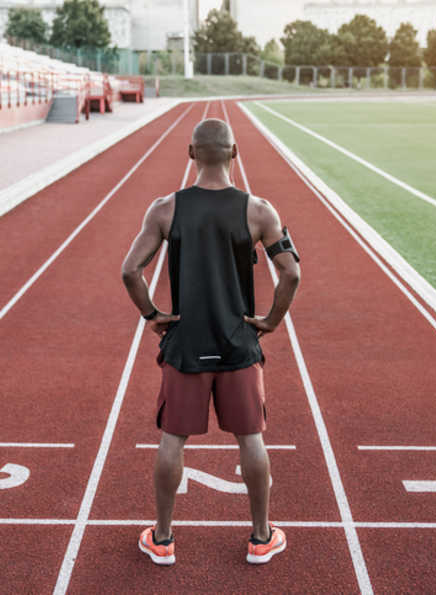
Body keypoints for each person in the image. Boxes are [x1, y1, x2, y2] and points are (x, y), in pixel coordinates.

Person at [121, 118, 301, 566]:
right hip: (239, 343)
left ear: (191, 153)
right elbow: (292, 273)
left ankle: (162, 539)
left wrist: (153, 316)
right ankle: (262, 537)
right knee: (251, 440)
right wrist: (271, 322)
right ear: (235, 153)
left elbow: (130, 271)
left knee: (172, 440)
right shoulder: (259, 210)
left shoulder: (165, 208)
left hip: (186, 345)